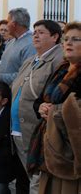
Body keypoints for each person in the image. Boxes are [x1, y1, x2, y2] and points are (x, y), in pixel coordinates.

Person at [10, 19, 63, 193]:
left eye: (41, 32)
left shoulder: (59, 60)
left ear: (55, 36)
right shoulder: (31, 60)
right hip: (19, 129)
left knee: (38, 181)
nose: (36, 36)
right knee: (30, 177)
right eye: (35, 32)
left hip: (38, 130)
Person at [28, 21, 81, 193]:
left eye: (76, 39)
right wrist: (41, 107)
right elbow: (39, 100)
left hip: (70, 151)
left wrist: (56, 112)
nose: (68, 43)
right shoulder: (61, 69)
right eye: (66, 39)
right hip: (48, 146)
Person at [0, 8, 36, 86]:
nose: (6, 25)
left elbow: (26, 75)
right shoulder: (11, 42)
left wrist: (0, 77)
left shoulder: (31, 44)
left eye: (8, 22)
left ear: (14, 24)